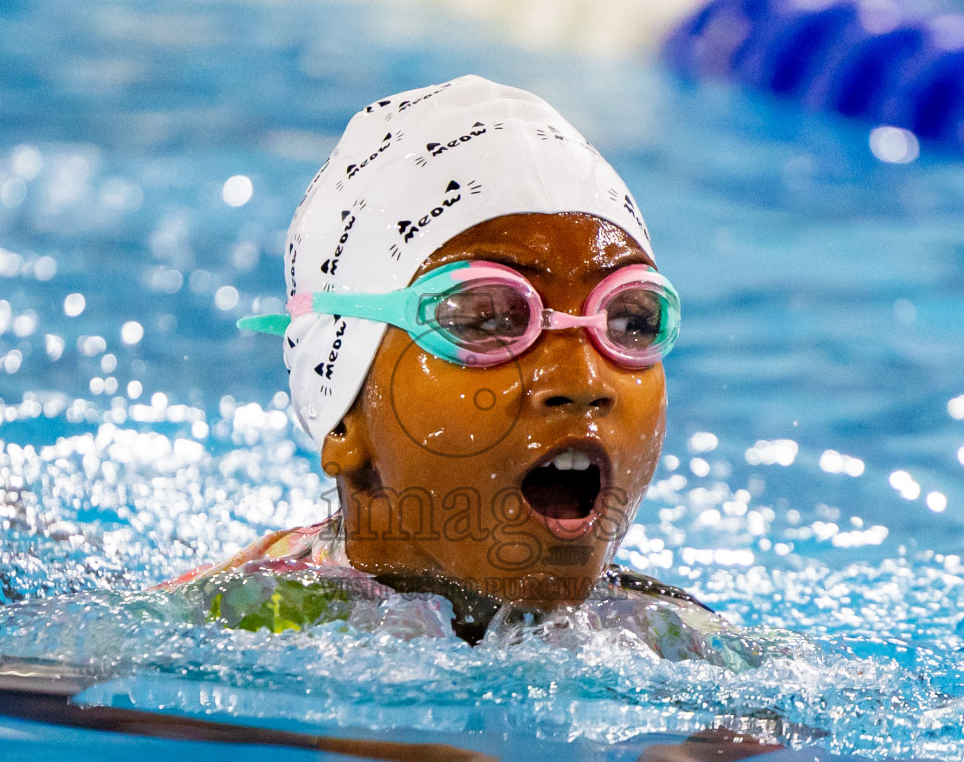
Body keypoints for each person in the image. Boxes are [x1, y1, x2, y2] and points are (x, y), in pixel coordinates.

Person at [169, 75, 780, 670]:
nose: (584, 380)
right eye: (486, 318)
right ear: (342, 414)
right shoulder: (237, 620)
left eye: (629, 321)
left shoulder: (671, 644)